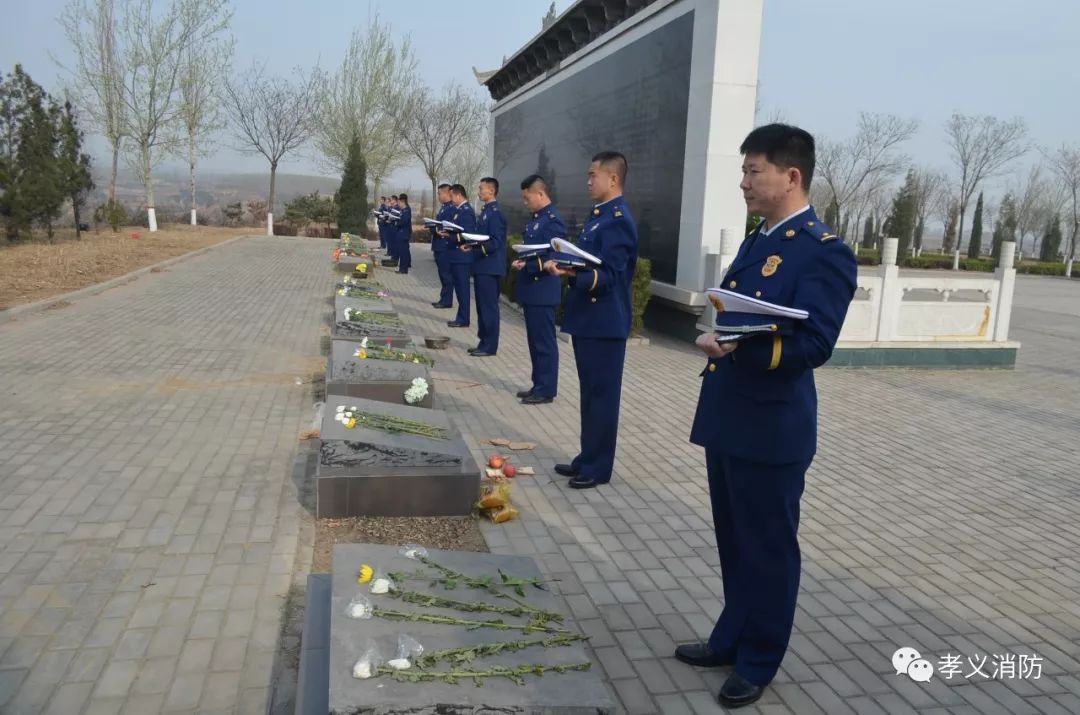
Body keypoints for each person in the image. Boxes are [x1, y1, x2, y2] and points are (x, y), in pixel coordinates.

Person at [674, 124, 857, 709]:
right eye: (745, 171)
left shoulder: (824, 250)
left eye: (754, 171)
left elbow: (816, 343)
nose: (744, 182)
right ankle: (731, 637)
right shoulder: (761, 238)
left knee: (769, 549)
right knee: (734, 540)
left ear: (791, 176)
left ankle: (759, 659)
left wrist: (741, 345)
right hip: (731, 414)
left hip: (773, 426)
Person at [544, 152, 637, 489]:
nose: (588, 181)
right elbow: (590, 264)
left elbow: (609, 275)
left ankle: (598, 467)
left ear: (613, 179)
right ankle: (588, 456)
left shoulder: (619, 220)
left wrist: (572, 273)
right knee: (590, 396)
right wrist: (568, 266)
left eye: (593, 175)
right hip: (589, 321)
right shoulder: (599, 217)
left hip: (605, 323)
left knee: (602, 397)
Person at [511, 174, 566, 404]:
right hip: (532, 290)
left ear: (540, 194)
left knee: (544, 342)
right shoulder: (536, 218)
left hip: (543, 290)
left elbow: (556, 254)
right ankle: (538, 384)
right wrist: (523, 260)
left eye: (527, 197)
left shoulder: (553, 220)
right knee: (535, 342)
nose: (525, 202)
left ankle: (546, 390)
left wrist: (530, 265)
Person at [467, 177, 506, 357]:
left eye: (481, 188)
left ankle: (490, 346)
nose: (479, 191)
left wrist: (477, 247)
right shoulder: (486, 211)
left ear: (491, 190)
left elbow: (496, 242)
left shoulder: (495, 213)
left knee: (489, 307)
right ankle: (483, 341)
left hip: (490, 267)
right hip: (482, 266)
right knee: (482, 307)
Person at [443, 184, 477, 329]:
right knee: (459, 288)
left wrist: (450, 236)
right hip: (455, 255)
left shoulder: (467, 211)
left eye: (452, 196)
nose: (451, 199)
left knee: (463, 289)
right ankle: (461, 317)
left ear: (458, 195)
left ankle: (463, 319)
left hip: (462, 256)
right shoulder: (459, 211)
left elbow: (467, 233)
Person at [430, 183, 455, 309]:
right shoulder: (444, 207)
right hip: (438, 244)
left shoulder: (451, 208)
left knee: (446, 275)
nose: (438, 196)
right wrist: (433, 229)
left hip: (444, 246)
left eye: (440, 193)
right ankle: (444, 298)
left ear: (447, 193)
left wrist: (438, 230)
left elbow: (449, 227)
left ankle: (447, 300)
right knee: (442, 274)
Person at [395, 193, 413, 274]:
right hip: (401, 233)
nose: (399, 204)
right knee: (402, 252)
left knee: (403, 252)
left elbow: (404, 222)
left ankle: (403, 269)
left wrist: (396, 222)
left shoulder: (406, 211)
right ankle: (402, 268)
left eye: (399, 203)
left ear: (403, 202)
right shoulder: (403, 210)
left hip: (404, 234)